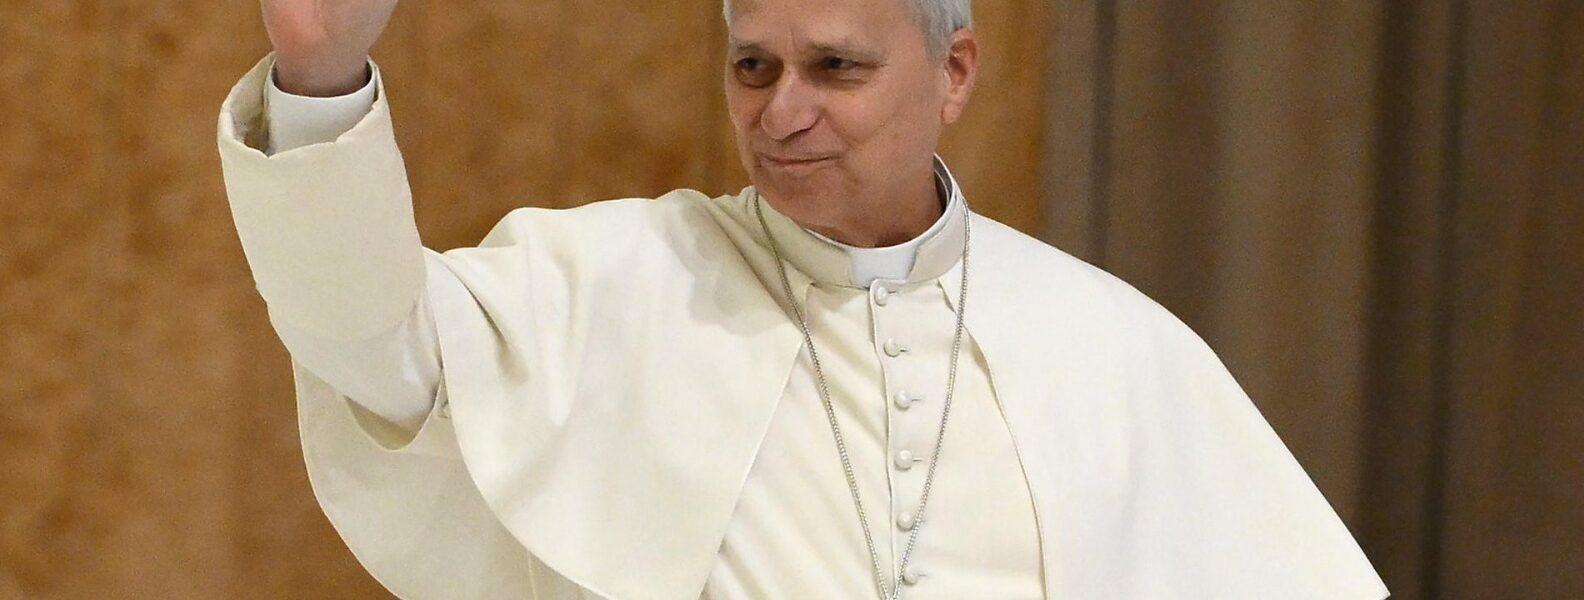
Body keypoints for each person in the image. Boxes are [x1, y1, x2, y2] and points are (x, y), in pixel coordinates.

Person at [217, 0, 1389, 598]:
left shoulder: (1110, 346)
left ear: (954, 72)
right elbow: (366, 347)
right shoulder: (610, 279)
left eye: (836, 67)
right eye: (753, 66)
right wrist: (319, 76)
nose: (782, 114)